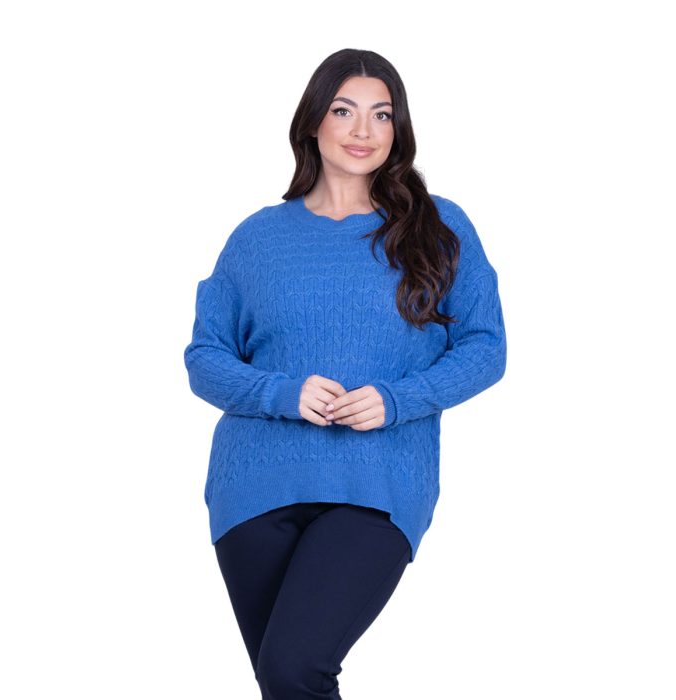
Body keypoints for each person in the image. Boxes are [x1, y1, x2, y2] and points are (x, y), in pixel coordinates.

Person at [183, 48, 507, 699]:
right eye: (344, 111)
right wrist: (281, 391)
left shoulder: (438, 225)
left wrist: (400, 399)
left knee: (296, 669)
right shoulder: (257, 238)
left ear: (398, 128)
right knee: (286, 682)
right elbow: (205, 357)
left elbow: (485, 346)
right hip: (255, 486)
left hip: (378, 483)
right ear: (312, 122)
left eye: (382, 115)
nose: (364, 130)